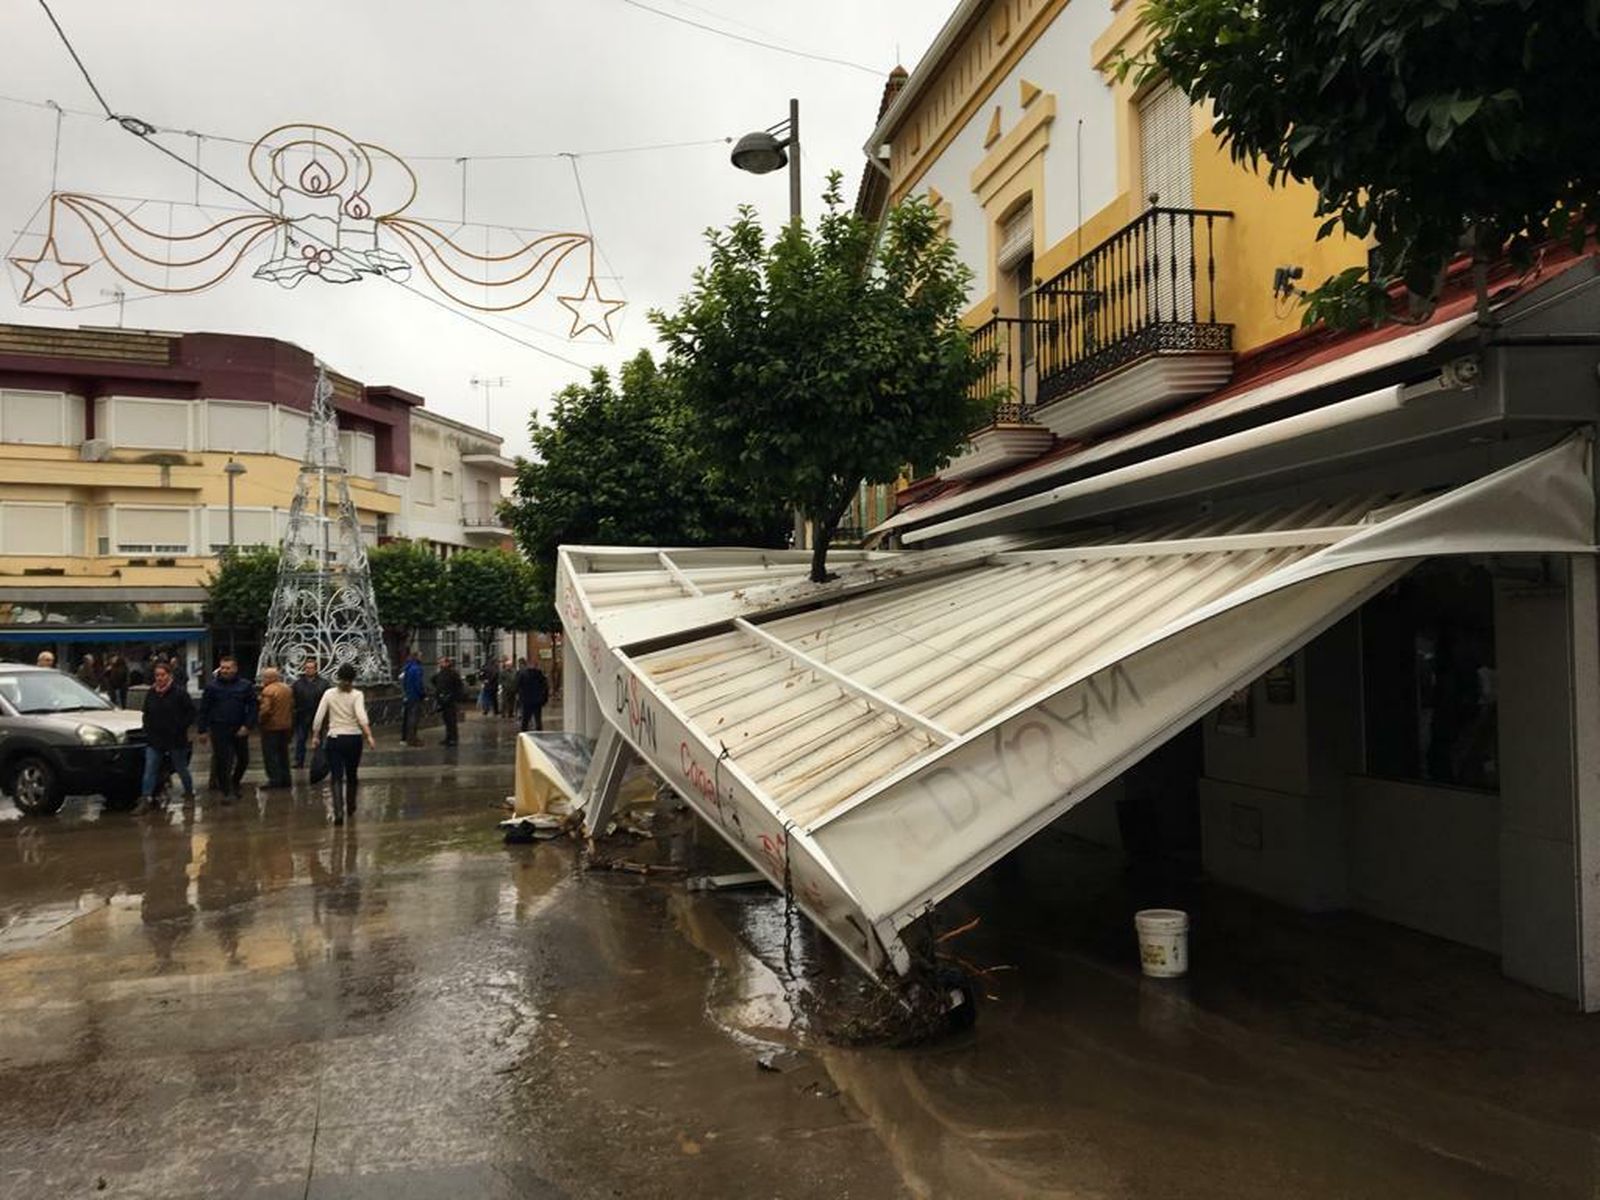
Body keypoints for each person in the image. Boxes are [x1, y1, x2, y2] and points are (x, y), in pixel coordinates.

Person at [311, 663, 376, 824]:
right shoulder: (357, 695)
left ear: (338, 677)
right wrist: (369, 736)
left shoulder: (329, 694)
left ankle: (338, 812)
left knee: (336, 776)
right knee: (352, 774)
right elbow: (361, 717)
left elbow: (319, 716)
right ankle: (351, 805)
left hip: (335, 738)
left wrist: (315, 735)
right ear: (353, 678)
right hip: (353, 739)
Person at [138, 660, 196, 811]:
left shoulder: (179, 693)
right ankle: (146, 799)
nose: (159, 678)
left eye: (162, 675)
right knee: (150, 769)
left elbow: (191, 713)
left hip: (176, 739)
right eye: (157, 675)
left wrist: (180, 727)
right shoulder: (151, 693)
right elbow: (146, 713)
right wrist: (148, 729)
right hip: (155, 739)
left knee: (181, 768)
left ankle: (189, 794)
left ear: (169, 676)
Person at [197, 655, 257, 802]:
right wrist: (202, 730)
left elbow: (253, 707)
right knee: (224, 761)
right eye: (222, 668)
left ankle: (234, 782)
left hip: (239, 728)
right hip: (219, 729)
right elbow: (204, 709)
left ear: (235, 669)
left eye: (228, 668)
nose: (225, 671)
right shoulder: (212, 687)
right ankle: (227, 792)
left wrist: (248, 725)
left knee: (243, 760)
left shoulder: (245, 686)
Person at [257, 667, 294, 789]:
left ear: (270, 678)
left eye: (264, 677)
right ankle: (286, 778)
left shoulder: (268, 691)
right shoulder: (287, 689)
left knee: (271, 755)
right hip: (286, 726)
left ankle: (274, 779)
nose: (263, 679)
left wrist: (260, 720)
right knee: (283, 754)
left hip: (271, 727)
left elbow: (265, 710)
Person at [291, 657, 331, 768]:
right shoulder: (298, 684)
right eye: (307, 668)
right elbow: (293, 699)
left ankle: (319, 761)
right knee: (300, 739)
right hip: (302, 715)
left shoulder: (323, 683)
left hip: (318, 715)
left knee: (319, 739)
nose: (309, 670)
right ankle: (299, 761)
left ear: (316, 669)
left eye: (311, 668)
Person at [432, 656, 465, 746]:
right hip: (443, 700)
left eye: (442, 662)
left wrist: (454, 696)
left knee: (451, 720)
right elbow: (434, 680)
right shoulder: (441, 674)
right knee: (446, 719)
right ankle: (448, 737)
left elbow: (458, 686)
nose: (440, 664)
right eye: (439, 662)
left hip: (450, 699)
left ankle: (453, 738)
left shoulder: (452, 673)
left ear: (447, 663)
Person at [399, 651, 425, 747]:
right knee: (413, 718)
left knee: (407, 717)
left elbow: (403, 682)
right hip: (415, 696)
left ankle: (405, 738)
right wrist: (422, 693)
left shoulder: (407, 668)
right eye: (420, 656)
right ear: (416, 657)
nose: (422, 658)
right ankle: (412, 738)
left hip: (408, 696)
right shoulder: (416, 669)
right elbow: (418, 684)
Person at [516, 658, 549, 732]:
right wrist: (544, 699)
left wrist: (520, 697)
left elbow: (518, 686)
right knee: (538, 718)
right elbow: (545, 688)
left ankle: (524, 733)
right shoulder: (540, 674)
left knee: (525, 719)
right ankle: (539, 732)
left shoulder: (523, 674)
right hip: (537, 700)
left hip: (526, 700)